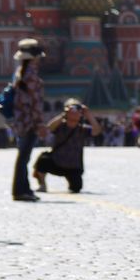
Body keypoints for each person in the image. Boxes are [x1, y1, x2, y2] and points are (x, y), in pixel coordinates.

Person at [33, 99, 102, 193]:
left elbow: (96, 131)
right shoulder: (60, 126)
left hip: (73, 166)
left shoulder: (82, 129)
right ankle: (42, 184)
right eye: (71, 110)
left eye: (77, 111)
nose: (74, 113)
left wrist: (88, 114)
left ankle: (72, 183)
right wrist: (63, 114)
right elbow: (49, 128)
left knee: (76, 188)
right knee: (42, 160)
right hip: (57, 162)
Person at [10, 38, 47, 202]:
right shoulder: (31, 75)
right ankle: (21, 190)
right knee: (24, 157)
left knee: (23, 156)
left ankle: (23, 189)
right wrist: (40, 123)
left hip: (21, 121)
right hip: (29, 122)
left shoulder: (20, 73)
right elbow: (35, 102)